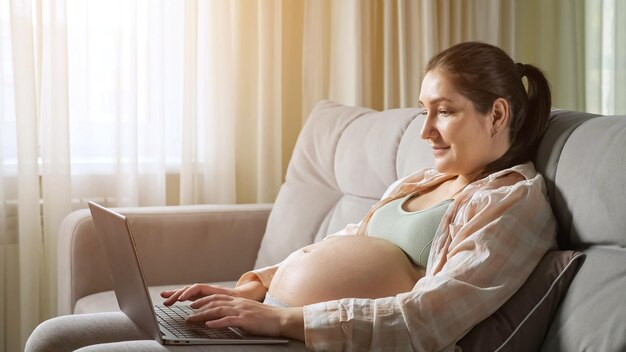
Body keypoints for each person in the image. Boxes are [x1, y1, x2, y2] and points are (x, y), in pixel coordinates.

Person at [26, 41, 557, 351]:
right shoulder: (423, 180)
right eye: (424, 110)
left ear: (498, 114)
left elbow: (429, 316)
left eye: (445, 110)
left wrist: (281, 320)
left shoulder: (512, 203)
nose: (426, 131)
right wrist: (249, 290)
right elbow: (350, 242)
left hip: (306, 340)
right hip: (272, 320)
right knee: (51, 338)